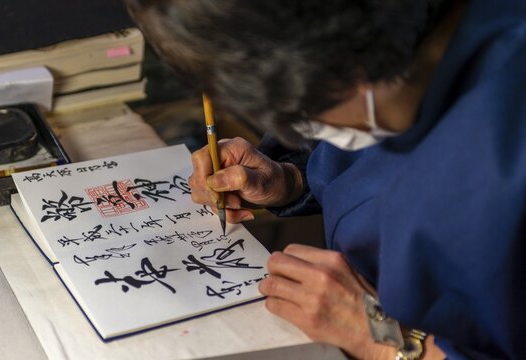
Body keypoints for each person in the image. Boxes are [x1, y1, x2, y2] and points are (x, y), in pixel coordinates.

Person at [124, 0, 526, 358]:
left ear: (359, 61)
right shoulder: (371, 63)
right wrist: (287, 179)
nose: (300, 128)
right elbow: (368, 173)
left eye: (305, 110)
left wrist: (384, 340)